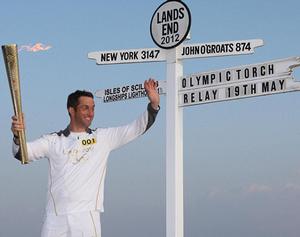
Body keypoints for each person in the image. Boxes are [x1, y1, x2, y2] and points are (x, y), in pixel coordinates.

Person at [11, 78, 160, 237]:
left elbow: (136, 128)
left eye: (93, 108)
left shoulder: (102, 138)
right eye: (85, 108)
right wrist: (17, 136)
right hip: (55, 218)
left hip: (86, 217)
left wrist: (154, 105)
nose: (90, 113)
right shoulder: (53, 141)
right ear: (71, 110)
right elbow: (22, 154)